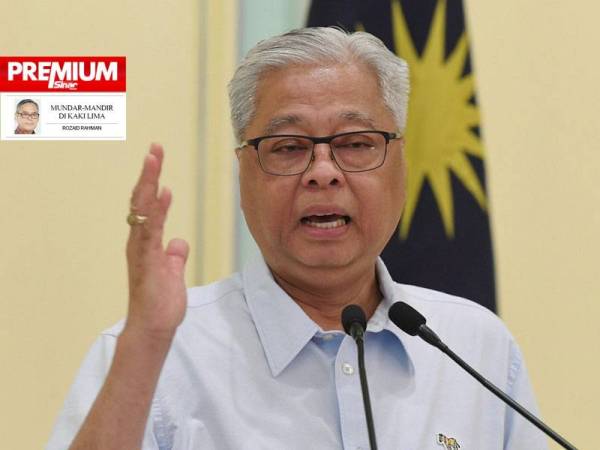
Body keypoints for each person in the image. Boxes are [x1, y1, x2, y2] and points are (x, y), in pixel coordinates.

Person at [47, 28, 548, 449]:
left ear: (401, 163)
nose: (323, 172)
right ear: (243, 171)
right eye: (288, 147)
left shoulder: (476, 346)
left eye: (356, 143)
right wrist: (146, 343)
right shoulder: (158, 354)